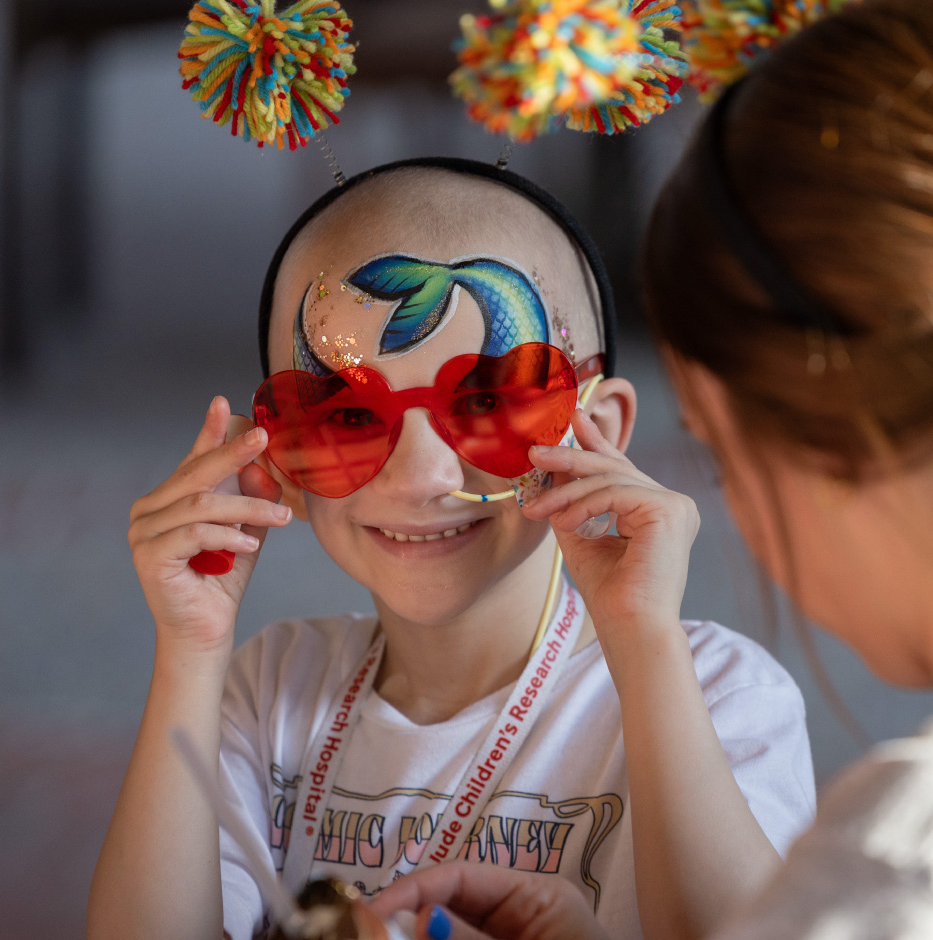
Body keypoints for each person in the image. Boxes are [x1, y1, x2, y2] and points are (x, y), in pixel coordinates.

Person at [86, 158, 815, 940]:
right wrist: (190, 649)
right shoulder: (269, 693)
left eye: (487, 402)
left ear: (600, 429)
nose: (424, 477)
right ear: (277, 460)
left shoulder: (718, 694)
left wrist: (643, 641)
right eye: (350, 418)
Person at [369, 0, 933, 937]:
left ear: (833, 441)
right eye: (347, 419)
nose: (425, 471)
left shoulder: (890, 869)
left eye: (714, 449)